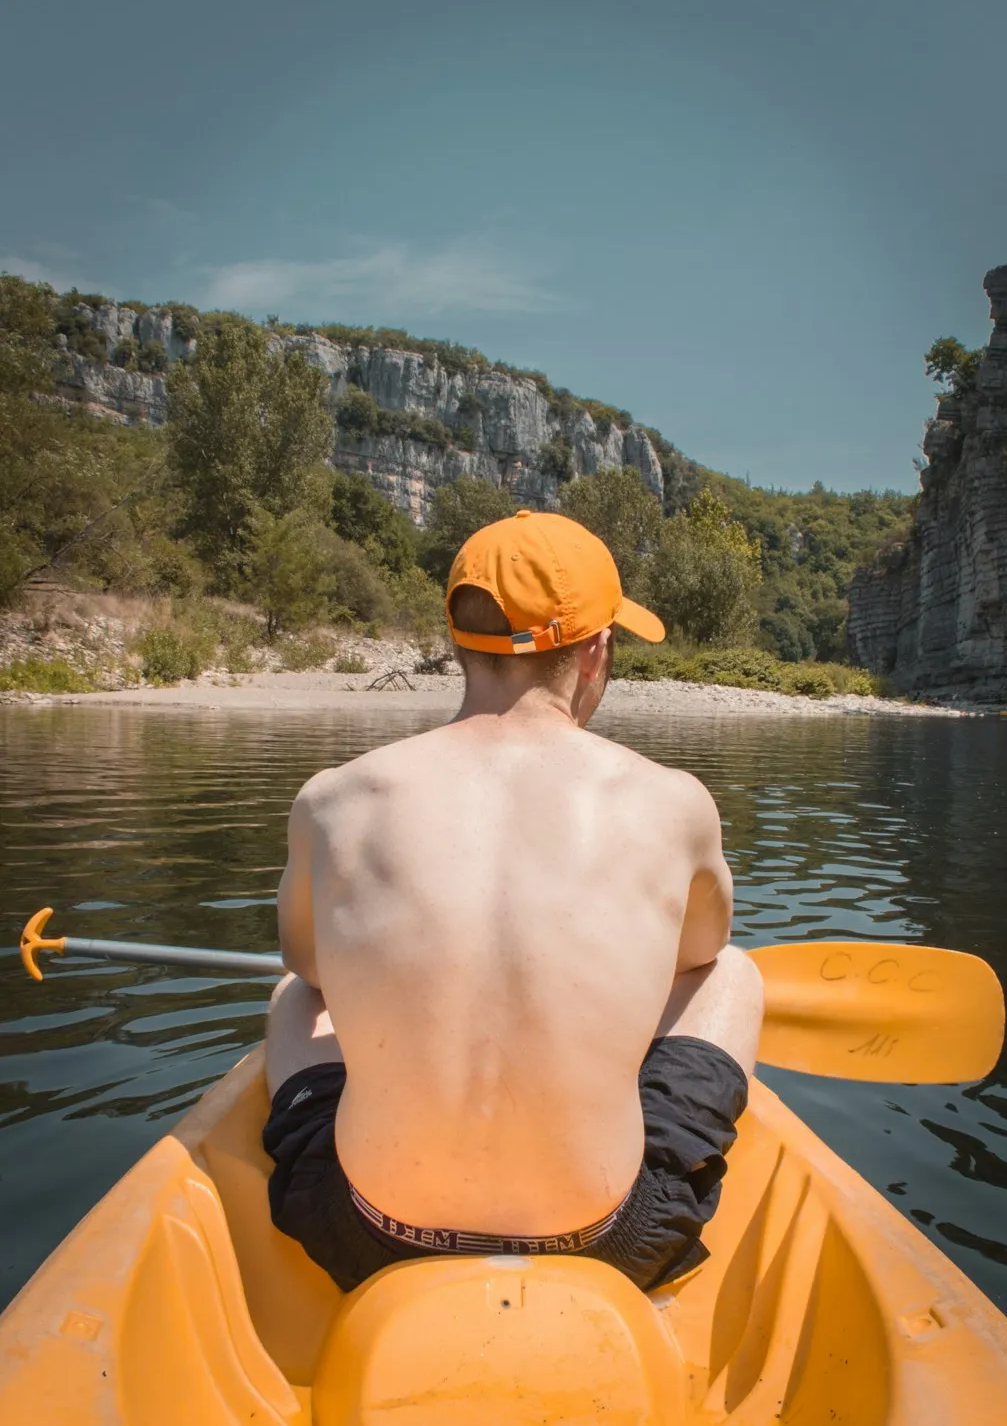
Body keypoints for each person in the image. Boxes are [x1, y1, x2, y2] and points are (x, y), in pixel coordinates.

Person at [262, 508, 764, 1293]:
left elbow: (307, 965)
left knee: (293, 995)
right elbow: (699, 954)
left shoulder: (333, 799)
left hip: (365, 1234)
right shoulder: (675, 802)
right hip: (609, 1241)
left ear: (460, 643)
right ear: (595, 651)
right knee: (734, 972)